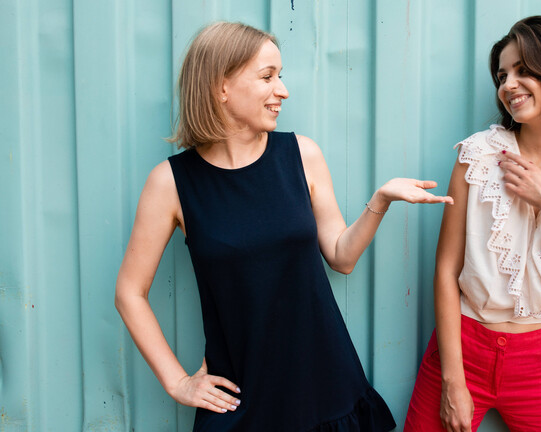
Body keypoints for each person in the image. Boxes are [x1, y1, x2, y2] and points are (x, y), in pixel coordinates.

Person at [115, 21, 452, 431]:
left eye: (281, 75)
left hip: (324, 386)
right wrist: (179, 382)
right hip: (241, 399)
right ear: (221, 87)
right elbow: (130, 293)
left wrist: (380, 201)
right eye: (267, 77)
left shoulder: (301, 154)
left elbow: (341, 257)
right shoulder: (170, 183)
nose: (283, 90)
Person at [403, 16, 541, 432]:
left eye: (523, 70)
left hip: (538, 362)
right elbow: (447, 270)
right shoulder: (479, 155)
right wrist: (453, 382)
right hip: (460, 350)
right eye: (503, 75)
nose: (508, 85)